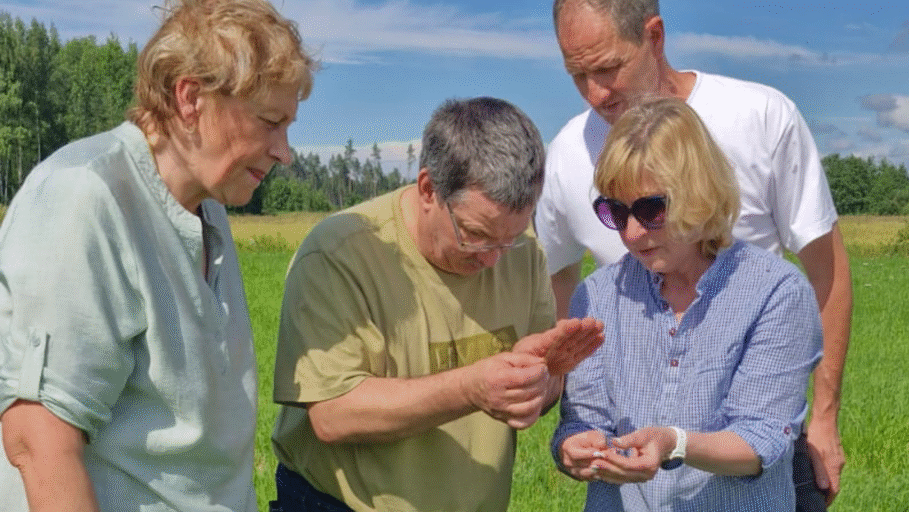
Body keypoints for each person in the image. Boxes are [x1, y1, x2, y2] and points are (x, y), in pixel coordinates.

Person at [534, 0, 852, 507]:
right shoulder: (568, 155)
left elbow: (825, 272)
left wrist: (824, 418)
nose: (632, 234)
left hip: (751, 453)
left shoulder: (760, 116)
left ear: (654, 37)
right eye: (614, 213)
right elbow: (559, 293)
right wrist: (568, 431)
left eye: (608, 68)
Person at [0, 1, 315, 510]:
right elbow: (39, 440)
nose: (285, 151)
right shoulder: (87, 197)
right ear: (190, 98)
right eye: (269, 121)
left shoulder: (206, 207)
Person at [270, 97, 604, 512]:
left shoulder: (523, 253)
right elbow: (333, 416)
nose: (493, 259)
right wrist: (472, 387)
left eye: (510, 238)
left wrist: (537, 383)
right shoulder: (340, 254)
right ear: (428, 189)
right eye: (475, 235)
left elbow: (543, 390)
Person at [552, 97, 823, 511]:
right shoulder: (596, 295)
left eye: (651, 209)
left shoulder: (776, 292)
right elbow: (582, 420)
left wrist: (673, 443)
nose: (632, 232)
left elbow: (760, 440)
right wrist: (576, 447)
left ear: (700, 193)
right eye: (616, 211)